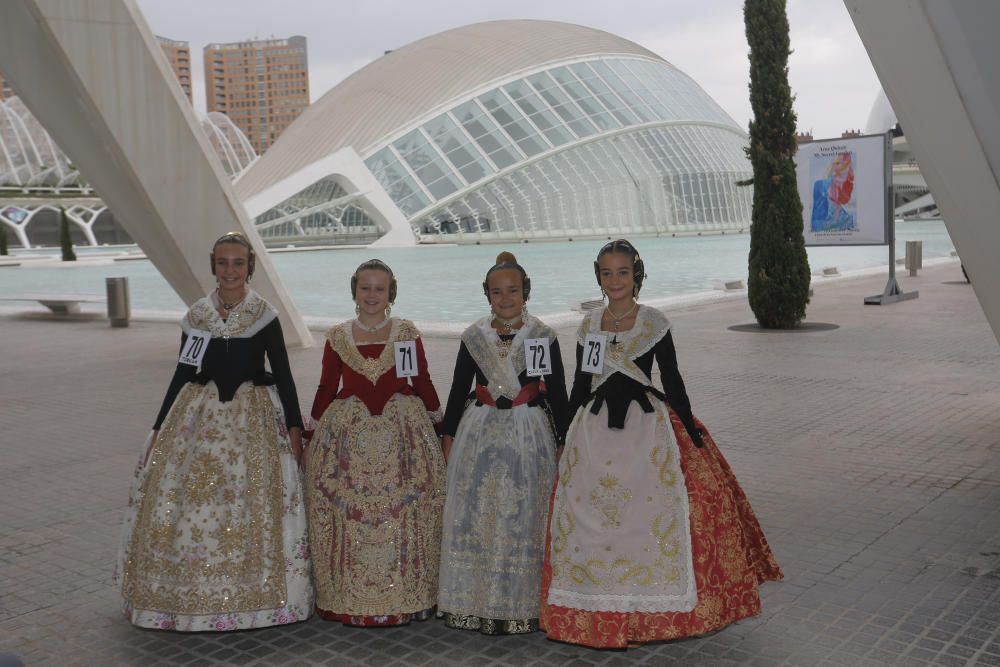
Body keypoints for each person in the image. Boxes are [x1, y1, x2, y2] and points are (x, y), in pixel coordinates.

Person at [539, 239, 782, 648]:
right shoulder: (589, 325)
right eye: (607, 273)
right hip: (593, 430)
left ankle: (647, 610)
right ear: (597, 277)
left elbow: (672, 380)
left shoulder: (654, 322)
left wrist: (690, 427)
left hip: (647, 429)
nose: (615, 280)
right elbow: (581, 384)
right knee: (591, 514)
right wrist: (564, 434)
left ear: (637, 275)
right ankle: (595, 604)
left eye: (623, 272)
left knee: (651, 513)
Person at [116, 231, 312, 631]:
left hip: (252, 417)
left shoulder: (265, 315)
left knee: (248, 499)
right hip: (199, 417)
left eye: (238, 263)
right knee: (193, 504)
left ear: (249, 267)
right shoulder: (197, 317)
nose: (230, 270)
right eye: (223, 263)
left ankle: (259, 600)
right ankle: (190, 594)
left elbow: (286, 375)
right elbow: (183, 372)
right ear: (213, 266)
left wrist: (294, 425)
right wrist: (158, 427)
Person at [304, 259, 446, 626]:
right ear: (354, 291)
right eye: (364, 287)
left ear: (390, 293)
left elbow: (421, 380)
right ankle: (349, 596)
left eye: (379, 288)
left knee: (404, 507)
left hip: (401, 432)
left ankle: (403, 594)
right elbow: (326, 386)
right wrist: (310, 433)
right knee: (346, 509)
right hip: (348, 433)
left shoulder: (405, 333)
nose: (371, 295)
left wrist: (438, 421)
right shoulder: (337, 336)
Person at [437, 251, 569, 635]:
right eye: (498, 292)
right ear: (487, 294)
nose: (506, 298)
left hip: (528, 434)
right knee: (479, 512)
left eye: (513, 290)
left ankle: (521, 602)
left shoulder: (542, 336)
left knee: (523, 513)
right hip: (478, 433)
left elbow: (557, 392)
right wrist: (448, 434)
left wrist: (563, 438)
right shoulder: (474, 336)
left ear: (526, 291)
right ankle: (473, 600)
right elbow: (458, 387)